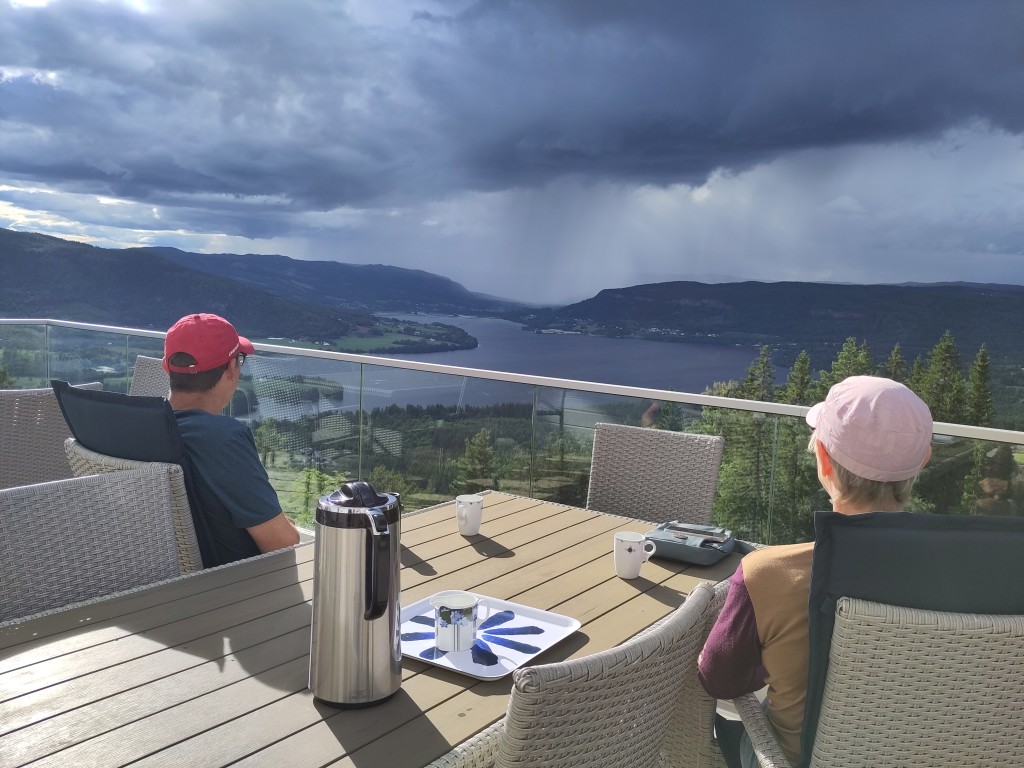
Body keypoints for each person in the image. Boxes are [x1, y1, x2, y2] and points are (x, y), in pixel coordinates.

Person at [698, 376, 933, 768]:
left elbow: (719, 679)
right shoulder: (963, 575)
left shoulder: (768, 574)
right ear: (922, 463)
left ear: (823, 459)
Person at [163, 313, 299, 565]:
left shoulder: (139, 426)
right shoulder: (223, 439)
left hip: (161, 583)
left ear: (165, 366)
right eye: (239, 360)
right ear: (231, 369)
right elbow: (282, 543)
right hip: (236, 586)